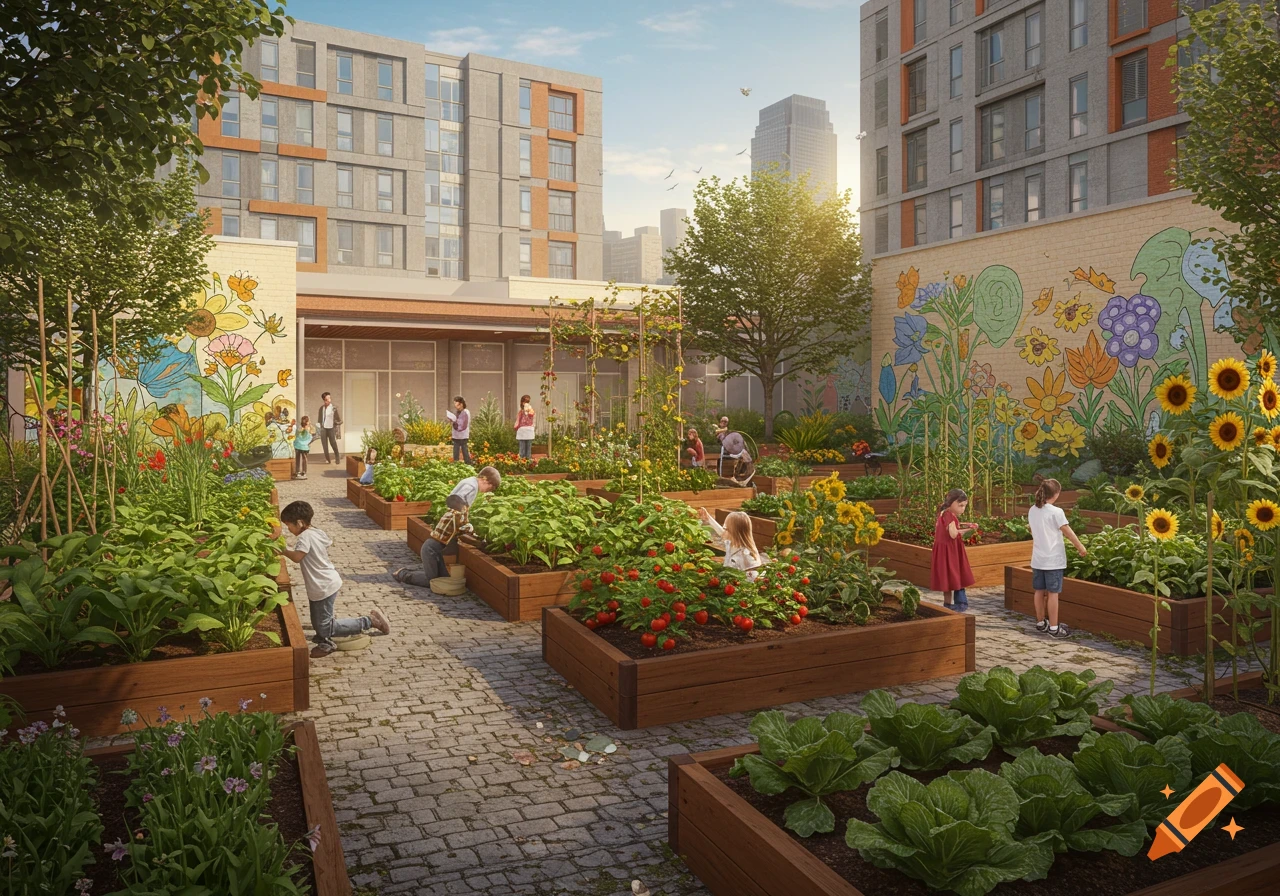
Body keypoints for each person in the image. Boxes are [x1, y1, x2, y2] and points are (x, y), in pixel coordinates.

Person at [279, 500, 390, 658]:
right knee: (318, 621)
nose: (288, 530)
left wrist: (282, 550)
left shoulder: (304, 537)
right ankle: (323, 636)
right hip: (323, 583)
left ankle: (369, 621)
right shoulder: (315, 532)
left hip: (323, 585)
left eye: (289, 525)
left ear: (299, 522)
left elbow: (297, 557)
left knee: (325, 627)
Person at [394, 466, 502, 591]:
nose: (489, 491)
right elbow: (455, 502)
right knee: (433, 581)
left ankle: (414, 570)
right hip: (430, 551)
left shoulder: (469, 486)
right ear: (484, 480)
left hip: (436, 553)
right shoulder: (469, 490)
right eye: (491, 487)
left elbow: (459, 511)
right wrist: (478, 541)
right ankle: (403, 575)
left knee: (445, 578)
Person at [1028, 478, 1086, 639]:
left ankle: (1041, 623)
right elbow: (1068, 531)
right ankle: (1054, 628)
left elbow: (1033, 531)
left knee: (1039, 591)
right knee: (1053, 593)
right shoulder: (1056, 512)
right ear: (1057, 494)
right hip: (1053, 560)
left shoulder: (1033, 510)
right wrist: (1081, 547)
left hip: (1038, 559)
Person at [931, 489, 977, 612]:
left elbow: (951, 528)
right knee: (957, 574)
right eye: (960, 505)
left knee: (948, 577)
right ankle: (960, 603)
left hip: (944, 550)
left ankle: (947, 605)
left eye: (964, 506)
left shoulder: (944, 513)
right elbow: (953, 534)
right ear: (951, 503)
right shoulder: (949, 516)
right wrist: (969, 529)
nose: (962, 509)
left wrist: (963, 525)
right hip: (950, 550)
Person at [698, 507, 766, 580]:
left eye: (726, 529)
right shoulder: (733, 543)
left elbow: (753, 578)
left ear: (735, 533)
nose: (723, 532)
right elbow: (722, 533)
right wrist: (708, 518)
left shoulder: (746, 554)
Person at [317, 392, 342, 464]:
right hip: (323, 428)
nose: (329, 400)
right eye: (327, 399)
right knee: (324, 445)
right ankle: (328, 459)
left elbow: (338, 418)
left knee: (333, 443)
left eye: (330, 398)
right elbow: (319, 419)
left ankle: (337, 457)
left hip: (330, 428)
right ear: (324, 400)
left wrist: (336, 423)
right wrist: (319, 428)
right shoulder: (321, 408)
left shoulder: (333, 408)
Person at [446, 396, 471, 464]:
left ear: (461, 404)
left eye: (457, 404)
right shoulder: (457, 412)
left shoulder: (465, 412)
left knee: (464, 450)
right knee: (456, 451)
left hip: (463, 436)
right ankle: (456, 464)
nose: (455, 406)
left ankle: (468, 464)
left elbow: (463, 424)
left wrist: (455, 421)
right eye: (454, 404)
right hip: (456, 436)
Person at [514, 395, 536, 460]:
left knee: (528, 449)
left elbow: (532, 416)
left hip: (529, 430)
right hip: (522, 431)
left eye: (527, 401)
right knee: (522, 449)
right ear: (522, 403)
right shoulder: (521, 412)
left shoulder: (531, 411)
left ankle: (528, 463)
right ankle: (521, 463)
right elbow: (518, 420)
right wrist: (516, 426)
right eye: (525, 401)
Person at [292, 416, 314, 480]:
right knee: (304, 458)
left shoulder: (300, 428)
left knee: (298, 458)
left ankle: (298, 471)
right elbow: (311, 437)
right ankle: (304, 472)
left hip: (298, 445)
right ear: (307, 421)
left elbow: (297, 435)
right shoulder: (309, 428)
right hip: (304, 446)